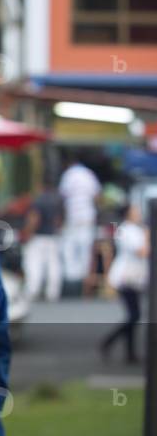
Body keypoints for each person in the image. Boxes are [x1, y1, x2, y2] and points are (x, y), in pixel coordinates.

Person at [100, 205, 149, 364]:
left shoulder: (134, 229)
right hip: (126, 277)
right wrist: (149, 236)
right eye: (136, 211)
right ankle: (109, 342)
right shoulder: (127, 231)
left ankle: (130, 353)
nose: (139, 213)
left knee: (133, 316)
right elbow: (141, 251)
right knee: (134, 316)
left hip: (134, 277)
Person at [58, 154, 101, 295]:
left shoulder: (68, 175)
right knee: (85, 253)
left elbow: (62, 198)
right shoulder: (89, 175)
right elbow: (97, 196)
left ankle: (72, 286)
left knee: (69, 252)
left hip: (72, 218)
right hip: (87, 217)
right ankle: (84, 287)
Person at [21, 177, 64, 302]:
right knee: (54, 265)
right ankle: (53, 291)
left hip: (39, 237)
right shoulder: (57, 201)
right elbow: (59, 220)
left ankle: (33, 289)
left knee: (34, 264)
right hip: (53, 236)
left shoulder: (38, 201)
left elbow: (34, 219)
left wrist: (27, 233)